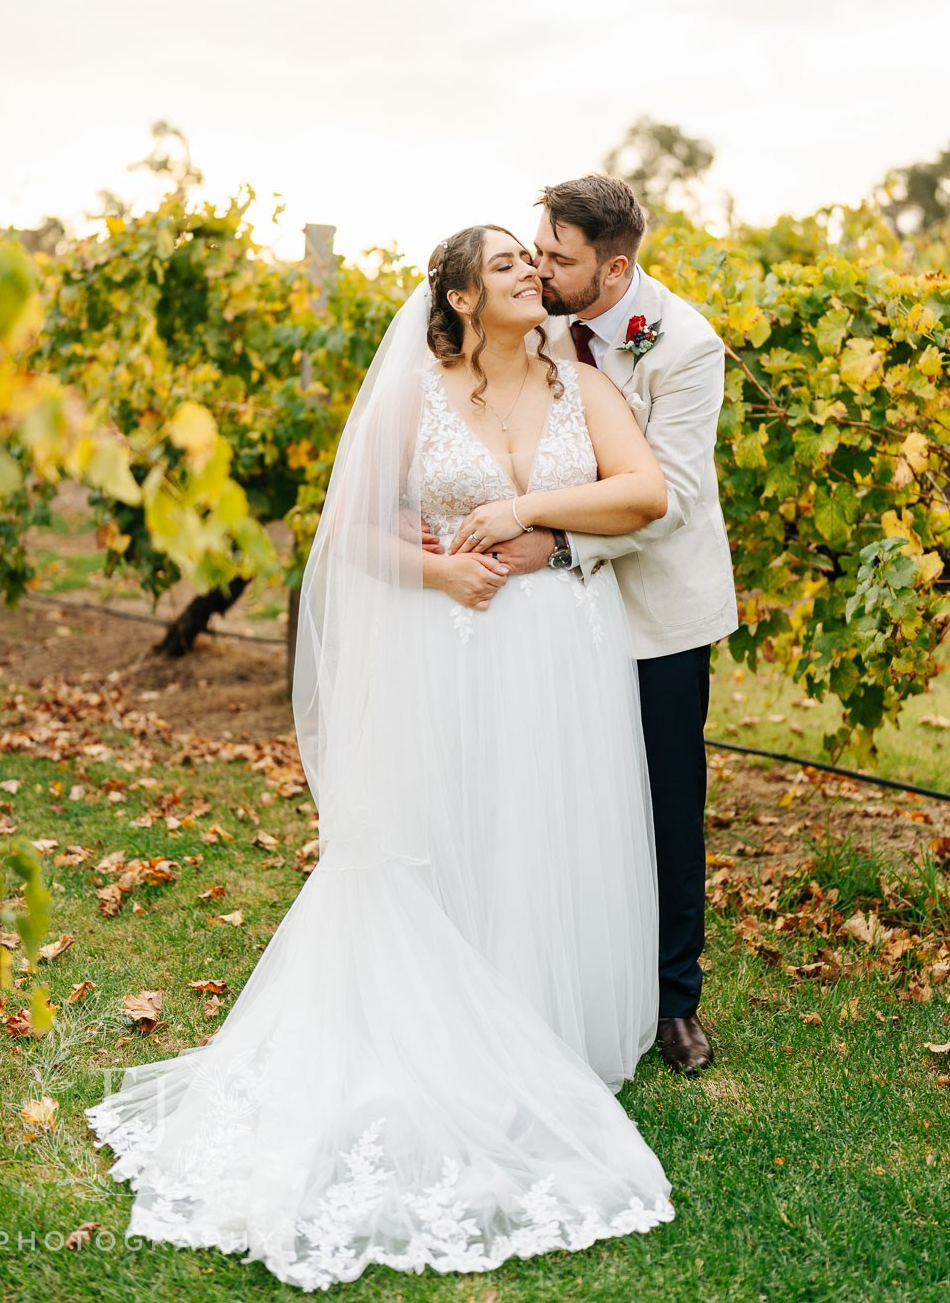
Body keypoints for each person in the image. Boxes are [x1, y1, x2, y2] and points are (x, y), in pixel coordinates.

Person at [85, 224, 675, 1292]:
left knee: (543, 822)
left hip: (558, 652)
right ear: (454, 299)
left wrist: (527, 510)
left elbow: (644, 496)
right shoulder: (416, 391)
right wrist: (436, 575)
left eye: (532, 264)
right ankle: (443, 1031)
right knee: (444, 827)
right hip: (445, 645)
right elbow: (345, 535)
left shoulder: (583, 385)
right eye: (506, 266)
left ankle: (541, 1029)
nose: (531, 276)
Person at [479, 174, 738, 1076]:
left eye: (559, 257)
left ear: (614, 266)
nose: (541, 268)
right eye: (538, 249)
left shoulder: (687, 345)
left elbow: (669, 504)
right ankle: (574, 974)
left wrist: (548, 543)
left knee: (668, 801)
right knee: (569, 792)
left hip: (658, 610)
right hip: (553, 616)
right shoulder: (539, 318)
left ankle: (673, 1001)